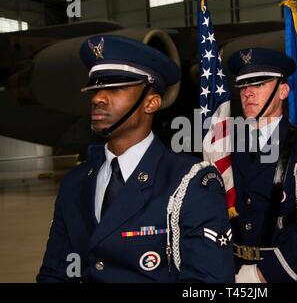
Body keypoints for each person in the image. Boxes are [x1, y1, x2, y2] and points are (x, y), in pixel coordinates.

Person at [36, 35, 234, 282]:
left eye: (115, 88)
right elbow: (55, 273)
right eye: (96, 88)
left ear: (151, 103)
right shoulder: (74, 182)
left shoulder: (192, 183)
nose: (98, 98)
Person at [228, 47, 297, 283]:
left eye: (258, 84)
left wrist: (263, 274)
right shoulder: (228, 146)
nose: (248, 92)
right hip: (237, 270)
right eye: (243, 85)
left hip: (291, 273)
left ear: (283, 91)